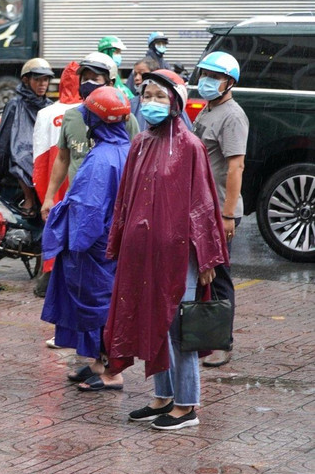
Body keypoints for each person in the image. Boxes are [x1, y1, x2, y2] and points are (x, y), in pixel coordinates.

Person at [104, 69, 228, 430]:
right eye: (147, 96)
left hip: (180, 255)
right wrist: (120, 243)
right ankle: (162, 396)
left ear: (174, 100)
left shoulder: (190, 146)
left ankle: (187, 405)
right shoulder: (140, 143)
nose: (152, 103)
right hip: (144, 255)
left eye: (160, 96)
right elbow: (125, 200)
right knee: (151, 320)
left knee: (178, 325)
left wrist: (206, 257)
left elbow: (203, 203)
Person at [40, 86, 133, 391]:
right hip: (111, 244)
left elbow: (88, 210)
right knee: (104, 304)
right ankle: (96, 362)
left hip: (94, 248)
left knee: (97, 307)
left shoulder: (101, 159)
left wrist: (67, 238)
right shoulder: (125, 149)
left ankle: (110, 371)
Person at [193, 52, 248, 368]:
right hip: (204, 208)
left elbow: (236, 166)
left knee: (220, 275)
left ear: (229, 82)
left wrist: (227, 215)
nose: (207, 81)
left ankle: (221, 343)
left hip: (220, 210)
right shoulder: (208, 110)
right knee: (205, 275)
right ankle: (204, 337)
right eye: (205, 74)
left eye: (214, 76)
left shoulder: (233, 116)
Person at [40, 52, 140, 223]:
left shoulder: (124, 118)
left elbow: (137, 161)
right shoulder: (71, 117)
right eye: (85, 78)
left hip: (114, 205)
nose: (88, 83)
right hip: (78, 204)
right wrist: (49, 197)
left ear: (110, 83)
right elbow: (63, 158)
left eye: (95, 78)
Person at [31, 60, 81, 306]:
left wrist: (45, 193)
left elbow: (38, 157)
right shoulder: (89, 110)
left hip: (52, 178)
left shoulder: (46, 113)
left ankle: (50, 277)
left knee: (54, 228)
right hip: (79, 179)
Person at [0, 58, 54, 219]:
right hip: (22, 157)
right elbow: (3, 144)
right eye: (37, 79)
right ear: (26, 80)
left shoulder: (50, 106)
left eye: (45, 79)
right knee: (20, 159)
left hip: (45, 156)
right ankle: (28, 201)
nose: (42, 84)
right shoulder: (15, 105)